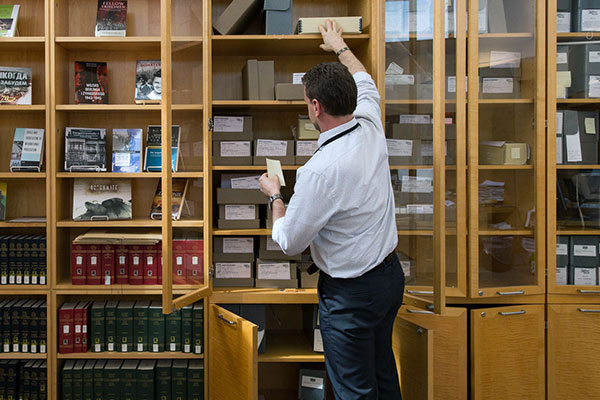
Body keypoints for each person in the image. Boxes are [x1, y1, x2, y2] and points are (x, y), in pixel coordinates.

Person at [258, 19, 404, 400]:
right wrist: (338, 45)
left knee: (354, 389)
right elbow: (364, 76)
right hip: (389, 279)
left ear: (316, 107)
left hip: (350, 294)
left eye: (306, 100)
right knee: (383, 374)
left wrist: (275, 197)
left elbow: (289, 241)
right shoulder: (372, 123)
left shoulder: (319, 172)